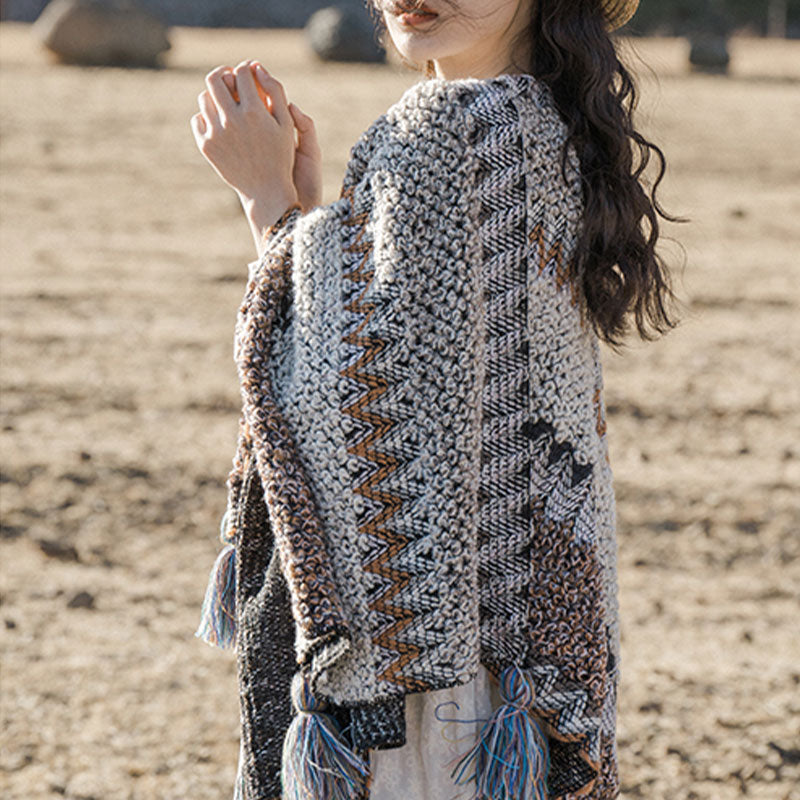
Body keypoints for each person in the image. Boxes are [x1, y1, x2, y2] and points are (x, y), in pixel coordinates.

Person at [191, 1, 678, 799]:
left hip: (419, 683)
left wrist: (267, 203)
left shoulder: (446, 130)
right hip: (512, 665)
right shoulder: (541, 123)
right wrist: (312, 226)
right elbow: (422, 375)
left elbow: (349, 405)